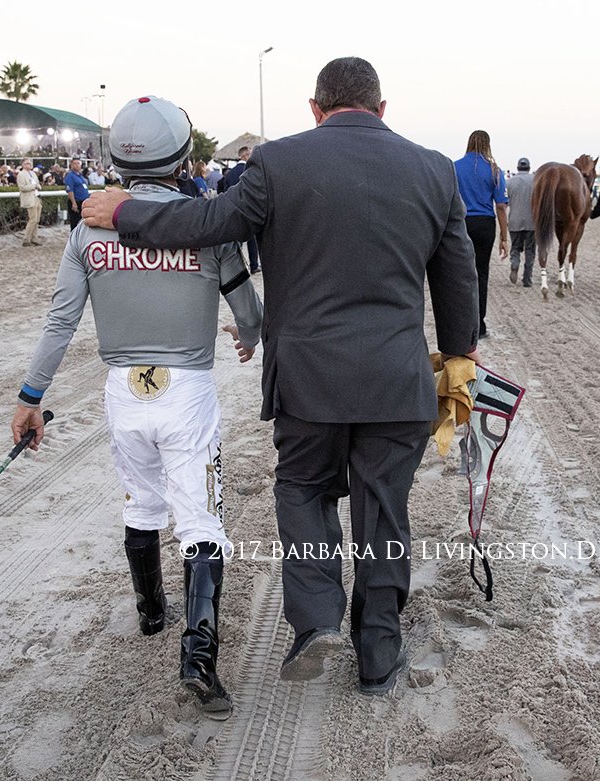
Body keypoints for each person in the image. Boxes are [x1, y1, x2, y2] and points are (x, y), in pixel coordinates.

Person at [83, 58, 479, 696]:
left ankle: (316, 621)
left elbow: (208, 224)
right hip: (394, 378)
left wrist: (127, 211)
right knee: (384, 510)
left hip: (308, 378)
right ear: (382, 108)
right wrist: (460, 358)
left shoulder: (278, 162)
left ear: (315, 109)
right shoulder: (433, 169)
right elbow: (458, 275)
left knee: (303, 490)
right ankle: (378, 656)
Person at [12, 95, 263, 719]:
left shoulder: (87, 230)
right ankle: (198, 657)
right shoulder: (206, 226)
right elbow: (249, 314)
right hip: (188, 391)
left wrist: (31, 397)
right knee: (201, 521)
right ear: (181, 158)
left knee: (142, 502)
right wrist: (250, 337)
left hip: (123, 391)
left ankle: (151, 612)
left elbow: (61, 321)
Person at [454, 130, 509, 338]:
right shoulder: (494, 170)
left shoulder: (455, 167)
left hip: (462, 223)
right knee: (481, 273)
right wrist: (504, 237)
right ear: (487, 145)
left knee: (460, 274)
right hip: (485, 224)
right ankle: (479, 325)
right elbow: (501, 206)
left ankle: (460, 323)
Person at [223, 147, 260, 273]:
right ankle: (254, 265)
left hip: (233, 210)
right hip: (249, 210)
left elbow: (224, 192)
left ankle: (236, 268)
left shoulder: (230, 174)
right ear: (246, 155)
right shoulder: (251, 170)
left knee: (236, 241)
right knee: (252, 241)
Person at [506, 157, 536, 287]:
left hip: (515, 220)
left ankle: (515, 262)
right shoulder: (536, 181)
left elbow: (505, 202)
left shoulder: (510, 182)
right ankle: (527, 279)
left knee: (515, 247)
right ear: (529, 168)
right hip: (532, 222)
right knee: (530, 250)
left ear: (518, 167)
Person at [17, 158, 43, 247]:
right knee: (33, 219)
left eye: (30, 163)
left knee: (37, 220)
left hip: (37, 197)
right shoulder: (21, 174)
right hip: (29, 199)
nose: (29, 164)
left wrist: (38, 186)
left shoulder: (33, 174)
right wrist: (33, 186)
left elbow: (38, 184)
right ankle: (26, 239)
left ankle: (34, 239)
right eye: (27, 163)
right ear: (23, 165)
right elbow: (22, 188)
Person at [64, 157, 90, 230]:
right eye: (75, 163)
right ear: (71, 165)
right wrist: (74, 203)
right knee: (75, 224)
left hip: (83, 202)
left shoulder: (80, 176)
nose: (77, 165)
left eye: (78, 163)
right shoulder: (70, 176)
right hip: (76, 202)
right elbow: (70, 190)